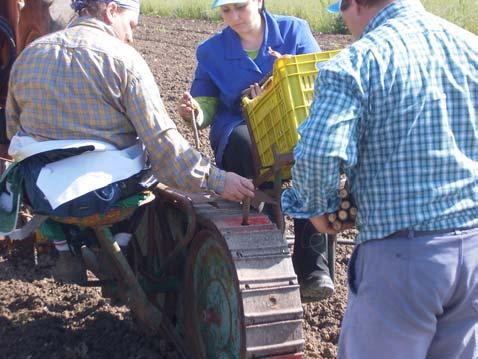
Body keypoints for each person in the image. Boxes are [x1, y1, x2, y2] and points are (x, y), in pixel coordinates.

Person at [4, 0, 254, 284]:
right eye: (131, 25)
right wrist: (217, 179)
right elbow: (164, 145)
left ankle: (63, 250)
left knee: (35, 158)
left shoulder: (29, 56)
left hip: (39, 192)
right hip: (105, 195)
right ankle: (119, 247)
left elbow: (14, 130)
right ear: (112, 11)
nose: (132, 35)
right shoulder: (124, 60)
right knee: (149, 161)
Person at [282, 0, 478, 357]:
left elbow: (318, 152)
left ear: (351, 4)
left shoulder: (356, 61)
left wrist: (318, 210)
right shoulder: (469, 46)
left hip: (402, 256)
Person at [177, 0, 335, 301]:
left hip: (293, 120)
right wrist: (194, 112)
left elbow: (318, 79)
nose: (234, 17)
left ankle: (313, 268)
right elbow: (206, 103)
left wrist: (284, 78)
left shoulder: (294, 31)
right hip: (239, 123)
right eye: (226, 11)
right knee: (245, 146)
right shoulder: (211, 51)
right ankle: (268, 254)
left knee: (314, 154)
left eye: (240, 6)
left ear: (259, 1)